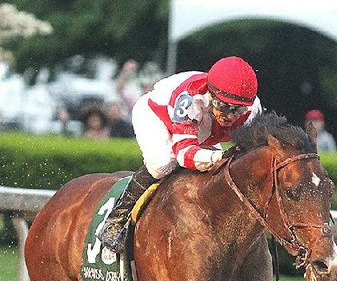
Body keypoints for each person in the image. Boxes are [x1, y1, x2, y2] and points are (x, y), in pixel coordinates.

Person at [98, 56, 262, 253]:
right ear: (211, 94)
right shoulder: (189, 97)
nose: (230, 116)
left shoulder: (252, 110)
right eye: (225, 107)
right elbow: (183, 153)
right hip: (157, 116)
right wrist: (217, 157)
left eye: (238, 110)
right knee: (163, 163)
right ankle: (116, 220)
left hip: (201, 129)